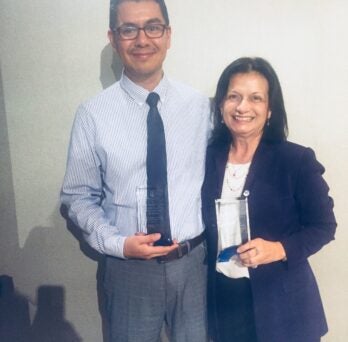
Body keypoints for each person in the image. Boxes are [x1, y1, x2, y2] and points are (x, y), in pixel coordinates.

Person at [61, 0, 210, 341]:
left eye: (153, 27)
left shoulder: (201, 107)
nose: (142, 39)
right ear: (113, 38)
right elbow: (77, 198)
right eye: (129, 29)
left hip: (194, 266)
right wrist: (118, 244)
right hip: (128, 270)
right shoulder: (93, 114)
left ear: (168, 35)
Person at [202, 57, 337, 342]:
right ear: (221, 105)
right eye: (233, 97)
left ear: (270, 109)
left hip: (283, 308)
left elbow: (324, 226)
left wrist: (279, 249)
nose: (242, 107)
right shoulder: (207, 157)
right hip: (224, 303)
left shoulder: (295, 160)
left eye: (255, 98)